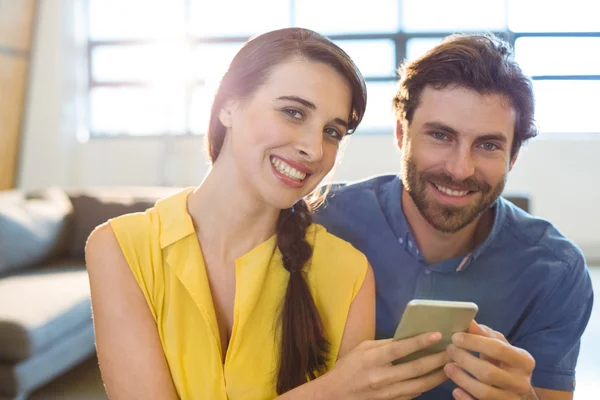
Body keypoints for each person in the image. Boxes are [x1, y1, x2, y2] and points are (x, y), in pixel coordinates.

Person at [85, 28, 456, 400]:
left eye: (332, 132)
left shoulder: (348, 273)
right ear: (228, 104)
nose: (313, 149)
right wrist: (329, 392)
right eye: (293, 112)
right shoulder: (121, 248)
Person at [315, 33, 594, 400]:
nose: (461, 170)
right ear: (402, 133)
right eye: (441, 136)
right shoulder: (319, 222)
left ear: (513, 157)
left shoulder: (556, 271)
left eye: (488, 145)